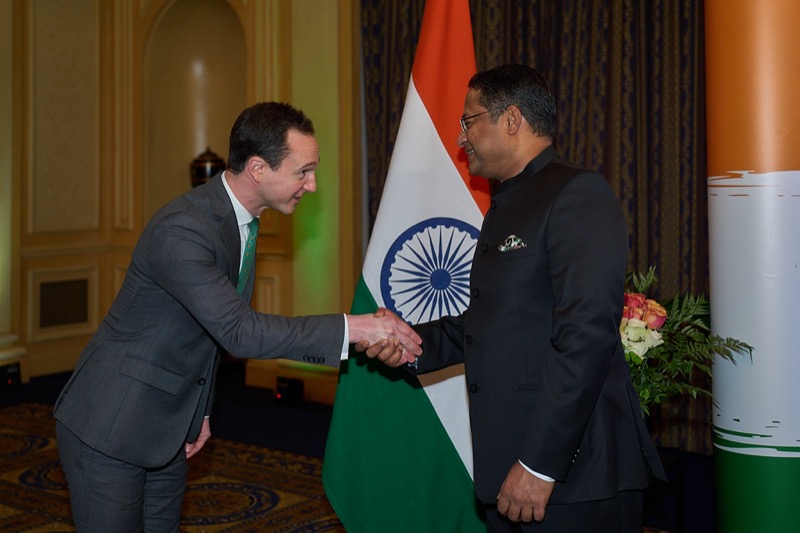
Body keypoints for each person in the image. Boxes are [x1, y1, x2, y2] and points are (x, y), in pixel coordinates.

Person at [54, 101, 421, 532]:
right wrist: (356, 327)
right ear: (258, 168)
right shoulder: (183, 228)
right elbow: (237, 331)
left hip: (167, 425)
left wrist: (200, 411)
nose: (312, 185)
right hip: (109, 424)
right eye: (303, 172)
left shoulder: (240, 220)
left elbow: (205, 331)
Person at [363, 64, 666, 532]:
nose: (461, 137)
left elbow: (585, 337)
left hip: (571, 477)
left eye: (468, 121)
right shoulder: (506, 204)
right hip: (510, 467)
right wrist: (409, 344)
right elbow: (493, 324)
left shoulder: (577, 194)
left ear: (510, 119)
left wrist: (539, 465)